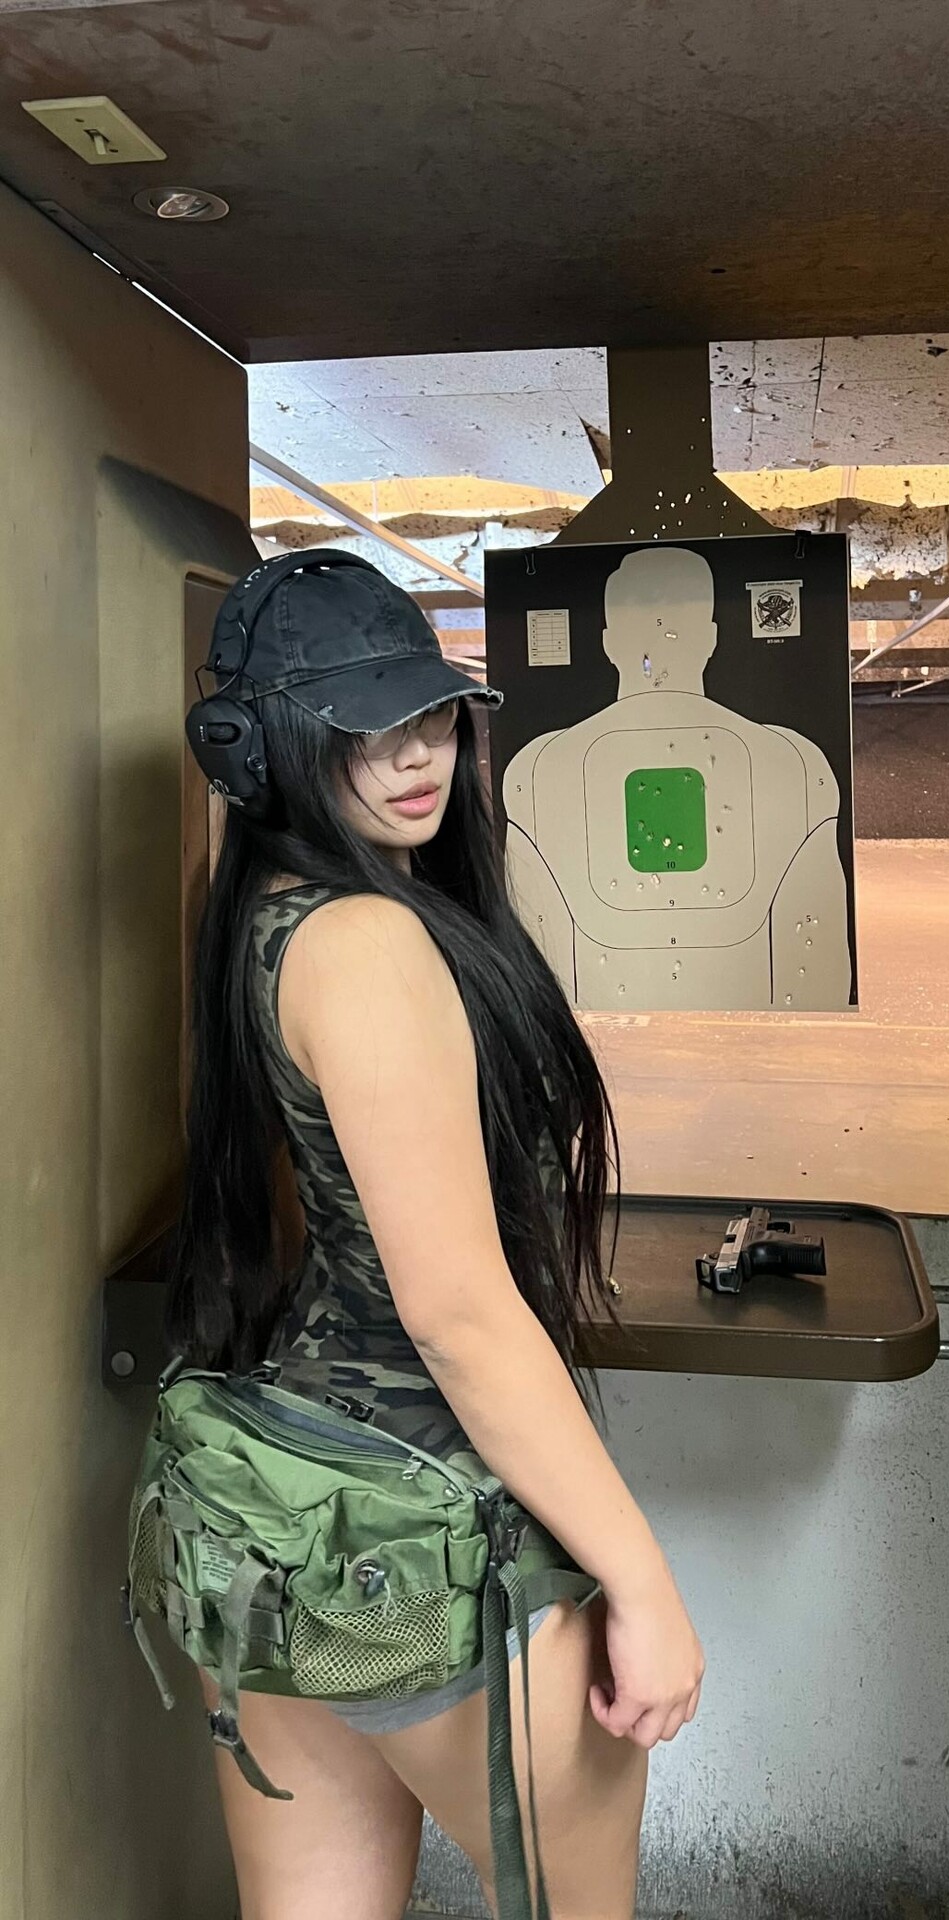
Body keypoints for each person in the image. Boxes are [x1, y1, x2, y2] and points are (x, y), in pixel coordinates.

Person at [166, 552, 704, 1920]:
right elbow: (457, 1315)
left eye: (430, 714)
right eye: (361, 728)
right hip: (427, 1534)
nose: (416, 756)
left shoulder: (261, 916)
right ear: (260, 751)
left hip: (270, 1515)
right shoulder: (367, 943)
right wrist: (641, 1582)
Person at [503, 543, 852, 1012]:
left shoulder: (536, 771)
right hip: (747, 1042)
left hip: (601, 1044)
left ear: (608, 642)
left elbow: (533, 956)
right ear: (710, 638)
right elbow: (816, 960)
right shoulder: (797, 765)